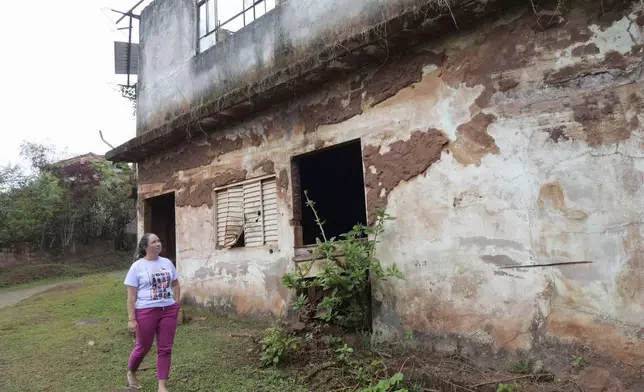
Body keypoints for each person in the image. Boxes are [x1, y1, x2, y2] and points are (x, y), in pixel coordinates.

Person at [124, 233, 181, 392]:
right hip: (146, 310)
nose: (158, 244)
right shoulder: (137, 267)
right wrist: (131, 318)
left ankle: (161, 386)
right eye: (153, 241)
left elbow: (176, 284)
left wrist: (176, 304)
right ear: (145, 247)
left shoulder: (167, 263)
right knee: (143, 346)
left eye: (159, 241)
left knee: (165, 348)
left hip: (168, 310)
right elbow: (131, 296)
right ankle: (131, 371)